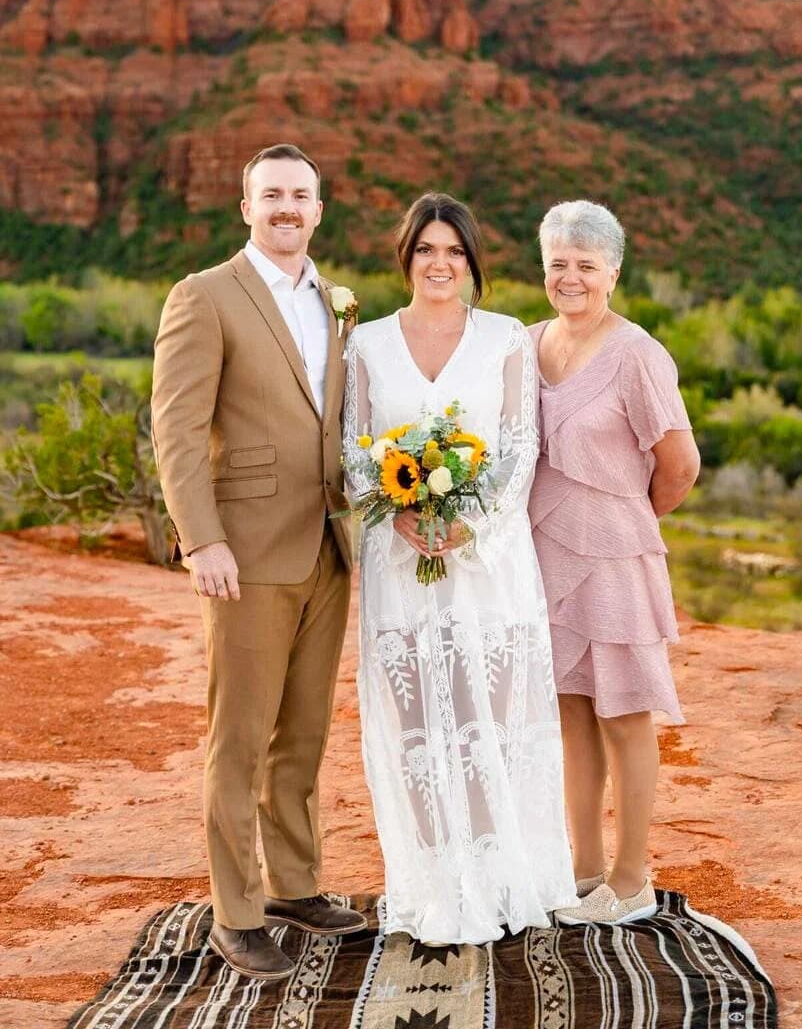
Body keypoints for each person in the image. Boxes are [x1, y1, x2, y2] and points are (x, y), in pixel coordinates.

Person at [151, 143, 366, 981]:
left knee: (302, 734)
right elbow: (174, 426)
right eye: (270, 195)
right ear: (246, 208)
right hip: (241, 552)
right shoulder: (204, 295)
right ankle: (235, 915)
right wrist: (200, 538)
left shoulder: (332, 301)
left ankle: (295, 886)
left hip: (325, 545)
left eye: (300, 195)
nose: (286, 208)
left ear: (319, 209)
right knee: (238, 738)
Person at [343, 192, 576, 945]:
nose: (439, 264)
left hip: (489, 562)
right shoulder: (367, 344)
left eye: (453, 251)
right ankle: (435, 887)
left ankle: (503, 880)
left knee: (489, 722)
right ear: (405, 258)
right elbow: (352, 450)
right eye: (425, 250)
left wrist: (466, 522)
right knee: (417, 725)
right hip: (396, 560)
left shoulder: (506, 338)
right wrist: (404, 514)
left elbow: (518, 448)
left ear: (471, 262)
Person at [528, 200, 700, 927]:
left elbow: (680, 464)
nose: (570, 277)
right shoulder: (529, 342)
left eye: (585, 266)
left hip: (617, 556)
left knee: (625, 715)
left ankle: (629, 882)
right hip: (544, 555)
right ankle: (583, 868)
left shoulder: (637, 354)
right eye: (558, 263)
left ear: (613, 272)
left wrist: (626, 516)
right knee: (569, 714)